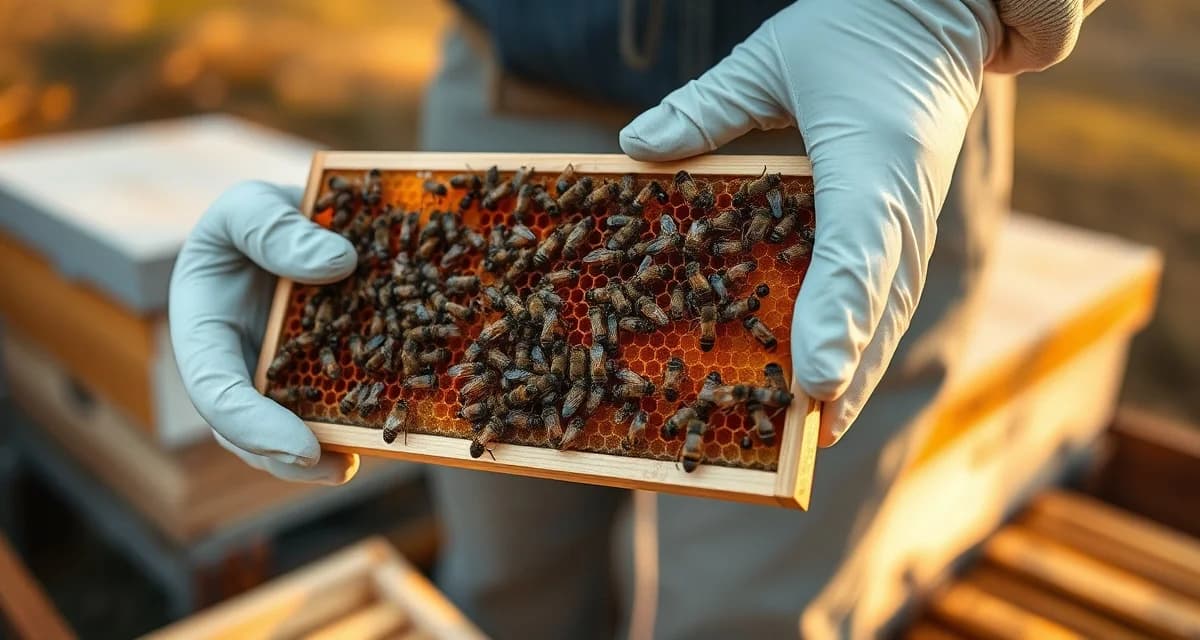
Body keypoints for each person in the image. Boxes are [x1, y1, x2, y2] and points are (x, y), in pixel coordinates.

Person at [169, 1, 1100, 637]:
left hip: (853, 98)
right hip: (515, 89)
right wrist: (337, 294)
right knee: (504, 589)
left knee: (749, 620)